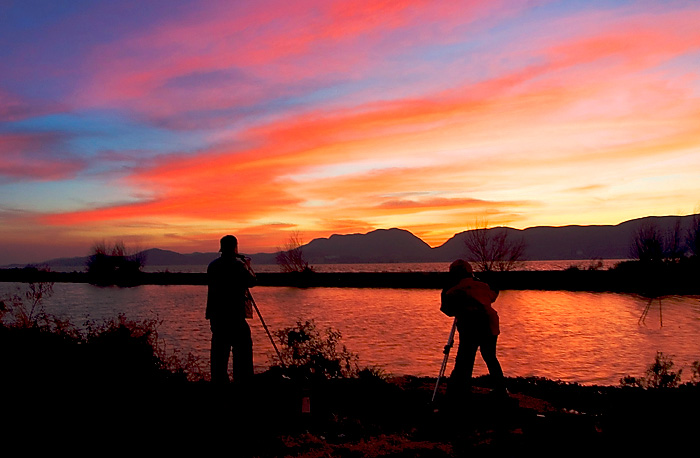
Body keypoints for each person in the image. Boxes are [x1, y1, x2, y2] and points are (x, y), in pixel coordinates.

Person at [441, 259, 506, 403]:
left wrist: (445, 290)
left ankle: (461, 389)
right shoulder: (483, 286)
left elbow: (447, 310)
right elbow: (493, 294)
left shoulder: (454, 291)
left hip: (471, 327)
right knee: (490, 357)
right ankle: (500, 389)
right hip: (490, 325)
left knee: (465, 359)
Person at [206, 235, 257, 384]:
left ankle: (219, 384)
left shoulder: (213, 266)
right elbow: (252, 281)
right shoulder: (238, 266)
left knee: (219, 354)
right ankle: (242, 382)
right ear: (235, 247)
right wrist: (247, 265)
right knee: (243, 350)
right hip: (235, 316)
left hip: (217, 317)